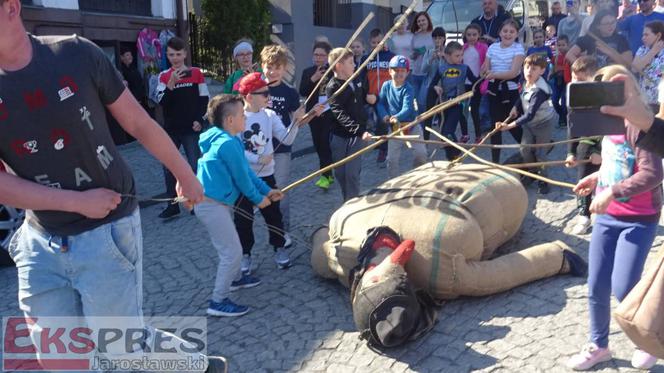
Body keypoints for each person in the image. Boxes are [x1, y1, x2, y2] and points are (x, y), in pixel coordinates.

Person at [0, 1, 225, 371]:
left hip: (108, 230)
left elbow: (138, 123)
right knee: (58, 358)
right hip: (40, 239)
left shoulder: (74, 53)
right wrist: (76, 202)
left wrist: (185, 174)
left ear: (11, 7)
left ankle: (197, 365)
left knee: (120, 346)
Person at [567, 65, 663, 372]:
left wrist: (613, 192)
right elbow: (617, 162)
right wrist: (597, 179)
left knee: (624, 287)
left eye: (614, 89)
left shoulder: (638, 124)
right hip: (608, 215)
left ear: (629, 89)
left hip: (639, 217)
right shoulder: (608, 123)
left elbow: (652, 174)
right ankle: (599, 345)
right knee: (596, 284)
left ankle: (644, 341)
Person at [195, 95, 272, 317]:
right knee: (231, 251)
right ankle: (218, 301)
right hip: (210, 205)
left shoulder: (230, 139)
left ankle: (237, 279)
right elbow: (243, 180)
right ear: (230, 120)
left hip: (216, 203)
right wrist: (259, 199)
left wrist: (267, 190)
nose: (245, 117)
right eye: (241, 115)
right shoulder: (227, 143)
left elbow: (247, 172)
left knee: (231, 245)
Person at [235, 72, 302, 273]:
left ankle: (279, 248)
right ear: (249, 96)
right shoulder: (237, 117)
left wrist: (296, 122)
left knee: (273, 215)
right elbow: (235, 150)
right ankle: (245, 254)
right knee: (243, 219)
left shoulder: (270, 115)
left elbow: (286, 139)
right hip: (244, 178)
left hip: (266, 177)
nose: (268, 96)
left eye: (268, 92)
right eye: (263, 93)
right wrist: (256, 158)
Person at [156, 37, 209, 219]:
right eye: (171, 54)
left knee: (195, 165)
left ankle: (197, 202)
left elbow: (204, 100)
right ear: (167, 56)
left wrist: (199, 120)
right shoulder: (163, 76)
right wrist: (170, 85)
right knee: (168, 166)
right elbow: (161, 102)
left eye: (178, 54)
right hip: (171, 129)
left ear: (185, 54)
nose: (175, 58)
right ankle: (173, 205)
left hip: (191, 128)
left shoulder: (196, 73)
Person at [261, 45, 308, 247]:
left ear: (284, 68)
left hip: (281, 149)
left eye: (277, 67)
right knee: (259, 190)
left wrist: (303, 115)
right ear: (262, 66)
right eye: (269, 67)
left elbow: (299, 118)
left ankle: (283, 230)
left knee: (280, 189)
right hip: (258, 149)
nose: (272, 71)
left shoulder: (289, 92)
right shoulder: (256, 88)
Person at [495, 54, 557, 195]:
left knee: (540, 154)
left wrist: (509, 126)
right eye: (527, 67)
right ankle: (533, 171)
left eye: (534, 69)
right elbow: (522, 94)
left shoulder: (539, 90)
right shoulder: (526, 81)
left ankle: (543, 180)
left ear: (541, 71)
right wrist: (516, 106)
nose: (529, 71)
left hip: (543, 124)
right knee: (525, 150)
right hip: (530, 124)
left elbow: (529, 115)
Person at [325, 47, 372, 201]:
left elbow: (362, 97)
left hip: (357, 136)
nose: (354, 65)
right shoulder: (333, 87)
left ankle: (352, 204)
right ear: (339, 66)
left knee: (351, 174)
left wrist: (371, 98)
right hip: (340, 136)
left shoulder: (356, 78)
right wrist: (359, 130)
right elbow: (340, 114)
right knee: (340, 173)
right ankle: (348, 201)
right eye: (351, 62)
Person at [565, 56, 602, 235]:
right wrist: (571, 152)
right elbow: (572, 127)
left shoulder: (605, 96)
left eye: (580, 80)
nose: (575, 83)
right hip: (584, 146)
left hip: (605, 147)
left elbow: (613, 129)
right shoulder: (573, 96)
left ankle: (606, 216)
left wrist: (600, 152)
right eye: (574, 78)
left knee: (606, 182)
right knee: (582, 182)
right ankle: (584, 216)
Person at [376, 55, 427, 178]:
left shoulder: (408, 88)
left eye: (402, 71)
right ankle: (393, 182)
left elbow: (407, 108)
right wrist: (384, 115)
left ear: (407, 72)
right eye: (396, 70)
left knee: (421, 153)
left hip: (411, 125)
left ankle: (419, 177)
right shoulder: (386, 86)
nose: (399, 73)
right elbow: (380, 103)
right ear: (389, 71)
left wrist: (397, 116)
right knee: (392, 159)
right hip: (395, 128)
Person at [482, 19, 525, 163]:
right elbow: (486, 67)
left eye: (511, 32)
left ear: (516, 34)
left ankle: (530, 151)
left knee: (513, 126)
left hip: (511, 93)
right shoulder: (492, 48)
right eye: (505, 31)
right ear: (500, 32)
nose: (508, 34)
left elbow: (513, 72)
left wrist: (493, 75)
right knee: (496, 127)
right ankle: (495, 162)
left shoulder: (518, 48)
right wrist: (484, 71)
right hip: (494, 92)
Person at [433, 42, 479, 160]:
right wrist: (436, 87)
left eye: (461, 55)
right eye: (457, 56)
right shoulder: (441, 68)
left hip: (458, 104)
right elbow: (433, 84)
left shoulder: (464, 68)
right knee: (444, 134)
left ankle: (455, 154)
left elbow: (475, 81)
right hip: (443, 105)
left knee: (448, 131)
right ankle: (453, 156)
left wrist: (482, 78)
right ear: (447, 56)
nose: (460, 58)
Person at [299, 41, 335, 190]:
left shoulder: (333, 71)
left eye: (321, 55)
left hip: (329, 112)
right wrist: (313, 78)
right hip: (313, 113)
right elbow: (302, 91)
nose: (318, 58)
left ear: (328, 56)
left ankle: (325, 176)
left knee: (325, 142)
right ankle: (328, 172)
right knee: (318, 144)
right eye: (316, 55)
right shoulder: (308, 72)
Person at [361, 29, 396, 165]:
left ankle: (384, 148)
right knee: (377, 122)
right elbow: (362, 79)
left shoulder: (392, 57)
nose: (376, 45)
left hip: (388, 95)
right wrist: (366, 94)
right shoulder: (366, 59)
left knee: (383, 121)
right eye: (373, 42)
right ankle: (382, 141)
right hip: (373, 96)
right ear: (370, 43)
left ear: (384, 41)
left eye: (379, 42)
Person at [567, 9, 633, 68]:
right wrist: (583, 69)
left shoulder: (621, 39)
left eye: (613, 22)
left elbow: (628, 63)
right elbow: (569, 55)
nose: (611, 26)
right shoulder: (590, 38)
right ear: (598, 26)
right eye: (607, 23)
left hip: (613, 78)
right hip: (594, 78)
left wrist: (610, 53)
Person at [462, 24, 490, 142]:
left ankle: (478, 134)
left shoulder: (484, 47)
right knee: (462, 109)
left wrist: (483, 79)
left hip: (477, 81)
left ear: (479, 35)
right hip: (463, 83)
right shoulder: (462, 48)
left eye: (474, 34)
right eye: (469, 35)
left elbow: (487, 64)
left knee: (474, 110)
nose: (472, 37)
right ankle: (465, 134)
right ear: (465, 35)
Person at [420, 27, 447, 141]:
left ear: (444, 38)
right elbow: (423, 70)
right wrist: (431, 59)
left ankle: (444, 137)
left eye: (440, 38)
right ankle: (426, 138)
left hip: (445, 87)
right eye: (435, 38)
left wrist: (443, 57)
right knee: (429, 112)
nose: (437, 40)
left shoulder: (448, 52)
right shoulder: (429, 52)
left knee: (444, 113)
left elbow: (447, 69)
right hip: (431, 86)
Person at [631, 20, 664, 111]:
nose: (643, 38)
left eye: (646, 35)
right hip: (645, 100)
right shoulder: (642, 49)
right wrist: (653, 52)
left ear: (658, 35)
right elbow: (635, 69)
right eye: (643, 35)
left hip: (661, 102)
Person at [409, 11, 434, 113]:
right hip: (415, 73)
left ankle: (424, 123)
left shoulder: (434, 34)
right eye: (419, 21)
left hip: (428, 73)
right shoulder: (415, 36)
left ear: (428, 20)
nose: (421, 22)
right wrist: (415, 54)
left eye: (423, 20)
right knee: (417, 101)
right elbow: (412, 55)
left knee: (422, 101)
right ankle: (422, 122)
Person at [552, 35, 571, 127]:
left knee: (564, 102)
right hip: (557, 81)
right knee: (554, 101)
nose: (561, 47)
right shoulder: (556, 57)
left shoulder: (570, 56)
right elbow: (553, 68)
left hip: (566, 81)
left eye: (563, 45)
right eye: (559, 45)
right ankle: (562, 115)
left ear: (568, 45)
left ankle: (563, 118)